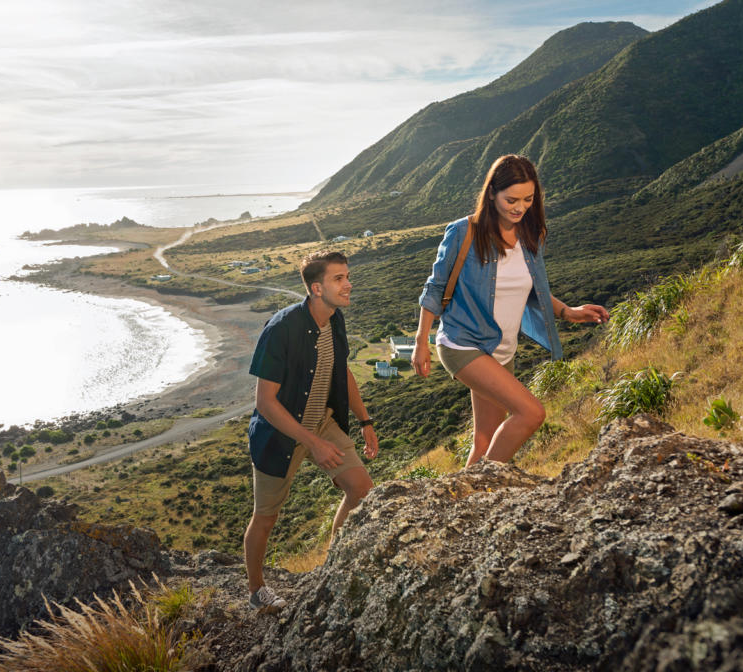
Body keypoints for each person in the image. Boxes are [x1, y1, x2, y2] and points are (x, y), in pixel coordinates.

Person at [411, 154, 610, 466]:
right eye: (511, 199)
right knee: (531, 413)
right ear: (492, 194)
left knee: (484, 441)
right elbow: (434, 288)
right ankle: (485, 488)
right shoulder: (463, 233)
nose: (519, 208)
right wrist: (421, 341)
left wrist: (568, 311)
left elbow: (533, 290)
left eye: (528, 199)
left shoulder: (532, 236)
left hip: (503, 349)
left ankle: (464, 505)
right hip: (463, 343)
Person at [243, 250, 379, 610]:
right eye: (339, 279)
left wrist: (364, 420)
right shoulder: (281, 329)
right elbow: (266, 403)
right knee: (266, 516)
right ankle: (257, 592)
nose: (348, 284)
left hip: (322, 419)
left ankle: (333, 566)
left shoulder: (335, 320)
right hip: (279, 433)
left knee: (362, 490)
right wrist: (313, 444)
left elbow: (343, 371)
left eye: (347, 276)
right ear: (317, 288)